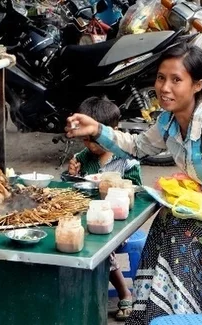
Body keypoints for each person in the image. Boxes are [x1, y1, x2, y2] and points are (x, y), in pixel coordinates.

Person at [65, 43, 202, 324]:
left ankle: (179, 316)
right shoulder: (168, 122)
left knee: (184, 230)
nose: (165, 88)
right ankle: (147, 318)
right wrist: (98, 130)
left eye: (176, 80)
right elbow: (136, 147)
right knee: (166, 218)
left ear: (197, 85)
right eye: (161, 78)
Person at [66, 96, 141, 321]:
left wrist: (114, 187)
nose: (90, 145)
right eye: (86, 140)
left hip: (119, 222)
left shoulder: (127, 159)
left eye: (95, 140)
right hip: (89, 216)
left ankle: (124, 292)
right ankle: (83, 290)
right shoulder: (83, 157)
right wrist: (73, 175)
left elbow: (136, 190)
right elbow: (76, 190)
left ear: (112, 131)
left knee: (101, 249)